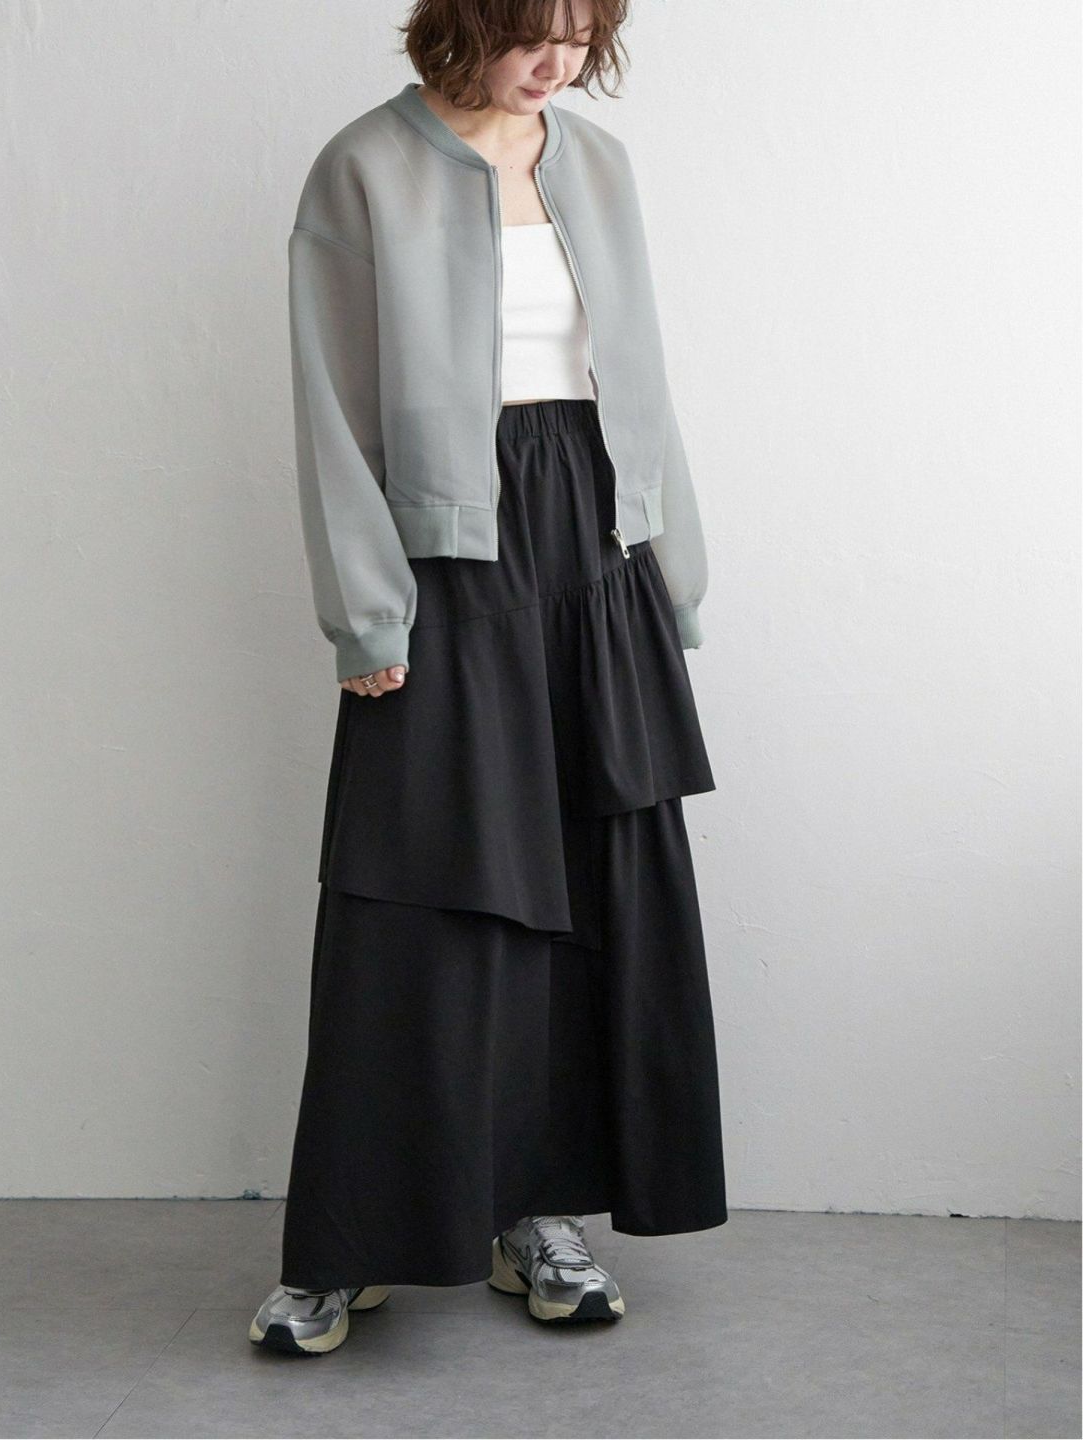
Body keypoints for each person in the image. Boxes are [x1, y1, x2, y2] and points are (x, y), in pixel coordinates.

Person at [250, 0, 727, 1357]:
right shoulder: (364, 167)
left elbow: (639, 377)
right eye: (533, 31)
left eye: (581, 34)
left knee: (587, 881)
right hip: (448, 549)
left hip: (595, 540)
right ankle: (346, 1243)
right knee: (416, 887)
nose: (556, 63)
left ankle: (540, 1213)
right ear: (464, 19)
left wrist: (672, 569)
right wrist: (367, 609)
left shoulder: (597, 165)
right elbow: (331, 397)